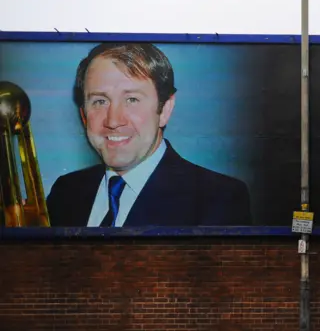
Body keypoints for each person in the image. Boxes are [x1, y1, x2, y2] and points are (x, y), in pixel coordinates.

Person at [46, 42, 252, 227]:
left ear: (164, 110)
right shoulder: (65, 192)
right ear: (83, 114)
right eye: (100, 101)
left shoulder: (218, 200)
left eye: (132, 100)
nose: (113, 121)